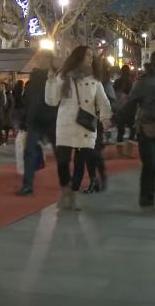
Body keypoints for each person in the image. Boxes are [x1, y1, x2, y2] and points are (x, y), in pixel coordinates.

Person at [113, 50, 155, 215]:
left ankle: (150, 199)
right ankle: (146, 202)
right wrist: (114, 120)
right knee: (149, 165)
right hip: (146, 130)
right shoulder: (143, 82)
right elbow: (130, 106)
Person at [46, 46, 111, 210]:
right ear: (78, 57)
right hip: (66, 123)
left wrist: (105, 118)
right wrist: (51, 80)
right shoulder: (63, 76)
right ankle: (65, 190)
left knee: (80, 164)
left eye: (92, 56)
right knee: (62, 162)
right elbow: (52, 101)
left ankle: (73, 195)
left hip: (86, 125)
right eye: (87, 55)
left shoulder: (95, 79)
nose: (91, 58)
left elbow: (103, 101)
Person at [16, 52, 58, 196]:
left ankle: (66, 183)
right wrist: (24, 119)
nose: (40, 61)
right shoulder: (33, 79)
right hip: (35, 121)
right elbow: (27, 100)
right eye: (39, 58)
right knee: (29, 151)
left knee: (60, 153)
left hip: (52, 119)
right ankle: (27, 185)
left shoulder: (55, 77)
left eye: (44, 58)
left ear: (50, 60)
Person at [74, 55, 116, 194]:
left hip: (94, 122)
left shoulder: (102, 82)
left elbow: (109, 100)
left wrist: (103, 115)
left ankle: (95, 179)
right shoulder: (78, 79)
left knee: (90, 153)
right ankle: (91, 180)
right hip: (81, 121)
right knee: (83, 153)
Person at [113, 65, 134, 145]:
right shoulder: (130, 82)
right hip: (129, 108)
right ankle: (131, 142)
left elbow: (114, 92)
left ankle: (119, 141)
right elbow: (132, 95)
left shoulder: (117, 81)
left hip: (119, 107)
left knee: (120, 128)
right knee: (132, 126)